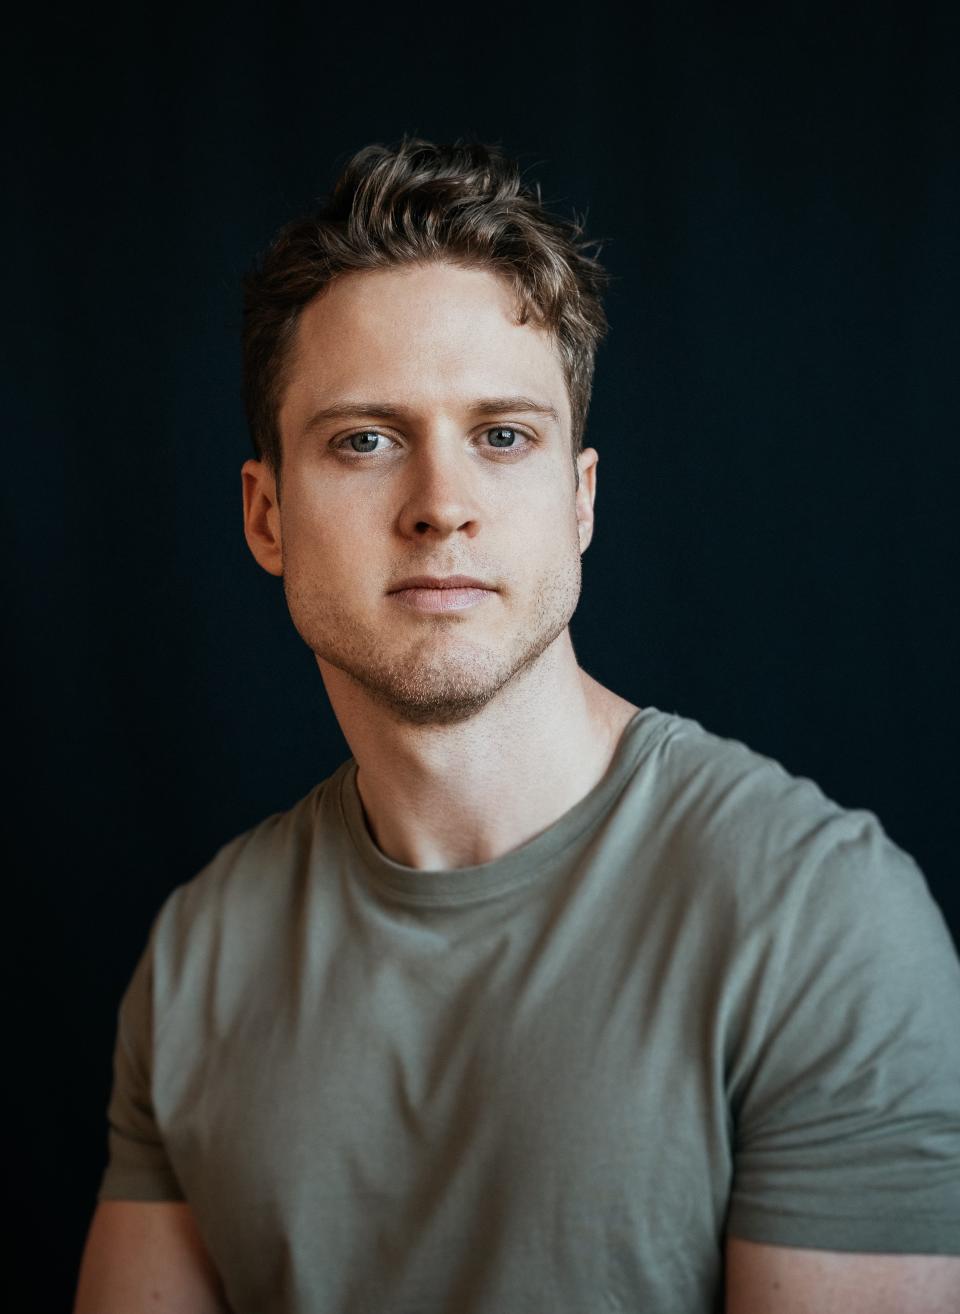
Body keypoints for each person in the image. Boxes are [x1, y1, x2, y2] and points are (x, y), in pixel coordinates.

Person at [74, 138, 960, 1314]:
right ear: (267, 513)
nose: (442, 506)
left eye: (502, 436)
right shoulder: (201, 961)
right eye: (366, 440)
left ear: (579, 499)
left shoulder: (820, 921)